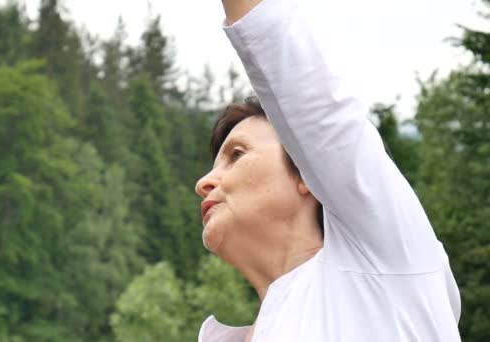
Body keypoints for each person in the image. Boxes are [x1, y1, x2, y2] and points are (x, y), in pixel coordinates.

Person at [194, 0, 461, 341]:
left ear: (307, 171)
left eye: (237, 154)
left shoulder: (384, 263)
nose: (204, 182)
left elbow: (312, 103)